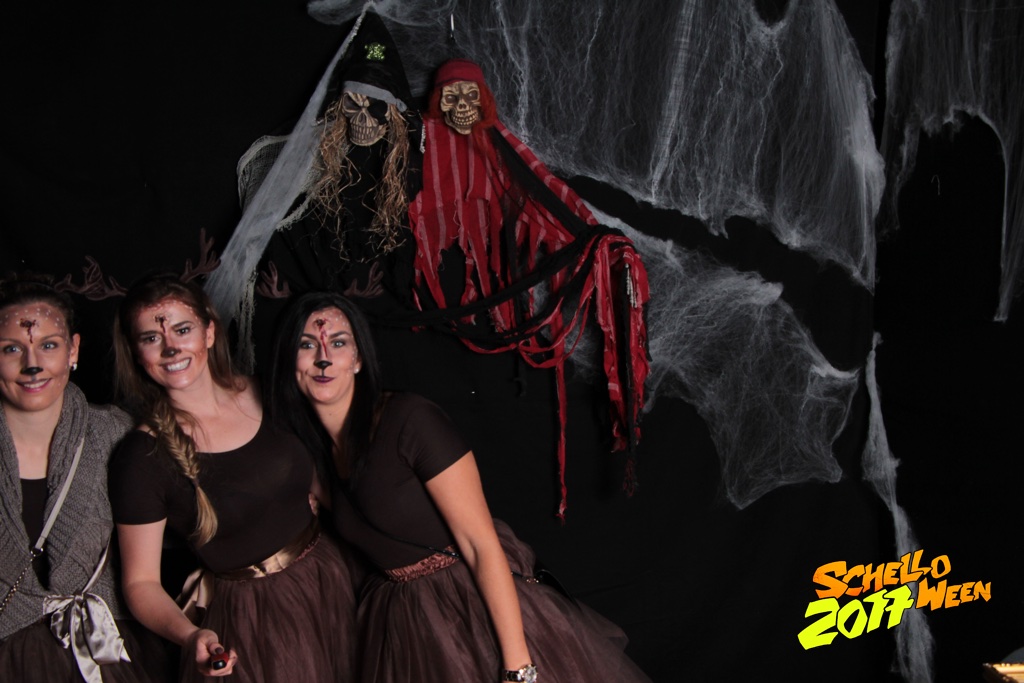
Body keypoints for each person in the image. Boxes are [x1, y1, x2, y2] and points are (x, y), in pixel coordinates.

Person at [266, 290, 653, 683]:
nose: (323, 359)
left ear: (358, 359)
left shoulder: (408, 420)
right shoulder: (313, 458)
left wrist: (519, 669)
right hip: (404, 623)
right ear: (288, 359)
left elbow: (480, 544)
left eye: (338, 343)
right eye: (307, 345)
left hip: (470, 607)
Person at [107, 273, 358, 682]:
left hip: (332, 578)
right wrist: (190, 635)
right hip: (256, 619)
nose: (171, 348)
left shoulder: (270, 392)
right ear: (136, 353)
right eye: (151, 338)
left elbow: (318, 479)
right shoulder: (141, 458)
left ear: (209, 332)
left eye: (183, 330)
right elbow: (140, 583)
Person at [0, 273, 170, 683]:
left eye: (48, 345)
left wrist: (218, 569)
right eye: (11, 348)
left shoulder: (115, 433)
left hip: (100, 648)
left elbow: (188, 505)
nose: (32, 364)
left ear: (73, 349)